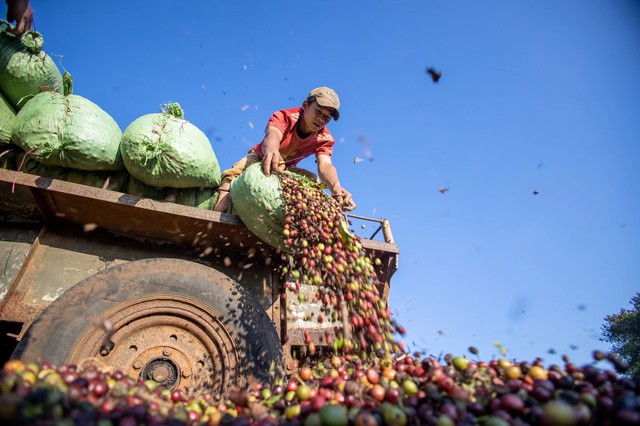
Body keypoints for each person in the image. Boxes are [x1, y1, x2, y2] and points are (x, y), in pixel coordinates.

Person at [214, 87, 356, 213]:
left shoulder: (325, 138)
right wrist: (273, 151)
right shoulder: (285, 117)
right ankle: (219, 212)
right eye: (318, 111)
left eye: (326, 117)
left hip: (287, 170)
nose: (320, 119)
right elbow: (273, 134)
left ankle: (296, 217)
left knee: (312, 181)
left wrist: (336, 186)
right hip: (261, 157)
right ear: (306, 105)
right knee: (235, 173)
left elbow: (325, 165)